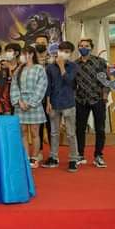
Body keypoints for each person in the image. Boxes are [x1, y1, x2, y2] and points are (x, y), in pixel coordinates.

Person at [43, 41, 81, 172]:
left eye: (66, 51)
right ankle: (53, 157)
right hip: (54, 103)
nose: (63, 53)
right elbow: (48, 86)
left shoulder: (74, 66)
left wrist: (61, 67)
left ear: (71, 53)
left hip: (68, 103)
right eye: (61, 50)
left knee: (71, 133)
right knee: (54, 133)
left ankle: (73, 159)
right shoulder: (50, 67)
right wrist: (48, 102)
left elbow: (69, 81)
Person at [10, 45, 48, 168]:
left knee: (35, 132)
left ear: (31, 54)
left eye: (24, 53)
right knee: (23, 132)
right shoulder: (19, 69)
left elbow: (42, 86)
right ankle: (25, 156)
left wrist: (31, 102)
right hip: (20, 105)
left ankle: (34, 157)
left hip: (34, 105)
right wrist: (19, 101)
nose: (22, 56)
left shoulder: (39, 69)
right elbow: (14, 86)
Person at [75, 38, 108, 168]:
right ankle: (80, 155)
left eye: (86, 46)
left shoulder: (99, 62)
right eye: (81, 46)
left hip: (97, 99)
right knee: (80, 128)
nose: (83, 48)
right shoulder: (75, 64)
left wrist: (105, 96)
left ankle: (98, 156)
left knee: (100, 129)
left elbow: (106, 81)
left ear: (91, 48)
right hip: (81, 100)